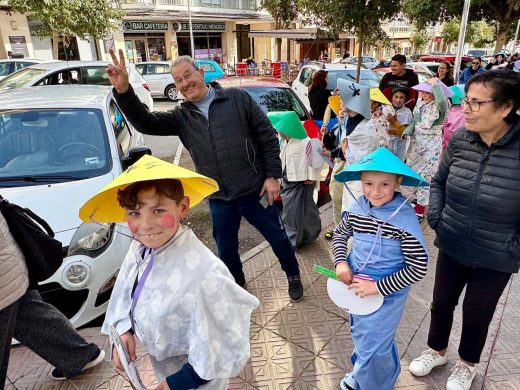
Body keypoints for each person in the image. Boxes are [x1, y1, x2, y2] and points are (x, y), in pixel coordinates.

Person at [106, 50, 304, 300]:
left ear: (201, 73)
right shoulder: (181, 116)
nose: (185, 83)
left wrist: (273, 176)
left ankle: (293, 274)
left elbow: (266, 135)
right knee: (226, 249)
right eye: (178, 80)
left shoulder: (237, 98)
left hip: (256, 190)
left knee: (278, 237)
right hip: (220, 196)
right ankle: (237, 285)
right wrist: (124, 91)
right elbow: (146, 122)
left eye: (188, 75)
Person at [88, 157, 259, 390]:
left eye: (158, 210)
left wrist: (171, 385)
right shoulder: (140, 248)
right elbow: (127, 290)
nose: (145, 225)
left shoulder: (205, 276)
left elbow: (213, 353)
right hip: (164, 367)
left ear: (183, 207)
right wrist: (124, 329)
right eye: (134, 213)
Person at [408, 70, 520, 390]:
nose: (465, 108)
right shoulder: (460, 139)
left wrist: (514, 247)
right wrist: (438, 219)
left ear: (505, 107)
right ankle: (436, 350)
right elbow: (439, 180)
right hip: (453, 238)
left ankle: (467, 364)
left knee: (476, 312)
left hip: (498, 252)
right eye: (466, 100)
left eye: (476, 102)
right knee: (441, 301)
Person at [332, 147, 429, 390]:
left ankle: (372, 384)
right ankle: (364, 372)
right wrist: (341, 261)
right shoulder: (357, 210)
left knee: (376, 342)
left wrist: (378, 286)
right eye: (368, 183)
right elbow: (340, 236)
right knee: (363, 335)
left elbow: (418, 267)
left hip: (388, 292)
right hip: (356, 286)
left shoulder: (403, 220)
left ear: (398, 182)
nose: (375, 192)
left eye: (385, 184)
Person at [0, 209, 105, 388]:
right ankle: (79, 356)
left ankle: (79, 356)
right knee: (30, 314)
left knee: (29, 313)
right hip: (9, 269)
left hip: (5, 275)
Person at [268, 111, 324, 248]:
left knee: (295, 213)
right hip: (289, 181)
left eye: (280, 129)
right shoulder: (287, 142)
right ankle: (303, 237)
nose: (278, 132)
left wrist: (311, 178)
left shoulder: (308, 142)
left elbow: (316, 162)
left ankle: (293, 240)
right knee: (297, 212)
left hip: (302, 182)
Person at [403, 78, 450, 221]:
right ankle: (418, 199)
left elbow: (442, 102)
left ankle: (420, 209)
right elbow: (415, 121)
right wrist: (407, 131)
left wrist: (435, 85)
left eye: (428, 92)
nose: (424, 94)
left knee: (426, 176)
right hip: (418, 144)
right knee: (416, 173)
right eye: (423, 92)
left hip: (431, 146)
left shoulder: (440, 106)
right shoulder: (420, 105)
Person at [337, 79, 380, 214]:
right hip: (351, 176)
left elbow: (365, 160)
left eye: (343, 99)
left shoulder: (367, 130)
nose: (340, 102)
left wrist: (345, 151)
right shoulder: (349, 120)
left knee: (356, 214)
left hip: (361, 181)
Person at [322, 97, 347, 240]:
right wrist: (325, 135)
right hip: (338, 165)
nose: (341, 112)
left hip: (350, 167)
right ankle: (339, 228)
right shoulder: (337, 127)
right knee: (337, 198)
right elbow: (332, 146)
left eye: (344, 108)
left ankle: (346, 230)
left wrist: (333, 153)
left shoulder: (354, 128)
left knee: (348, 201)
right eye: (339, 109)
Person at [382, 86, 413, 160]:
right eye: (396, 97)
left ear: (405, 99)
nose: (398, 100)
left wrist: (393, 122)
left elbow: (405, 133)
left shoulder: (408, 112)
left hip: (400, 146)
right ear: (392, 97)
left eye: (401, 97)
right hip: (385, 145)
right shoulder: (384, 109)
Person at [442, 84, 465, 149]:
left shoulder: (448, 111)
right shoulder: (466, 111)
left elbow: (444, 125)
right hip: (461, 141)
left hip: (447, 141)